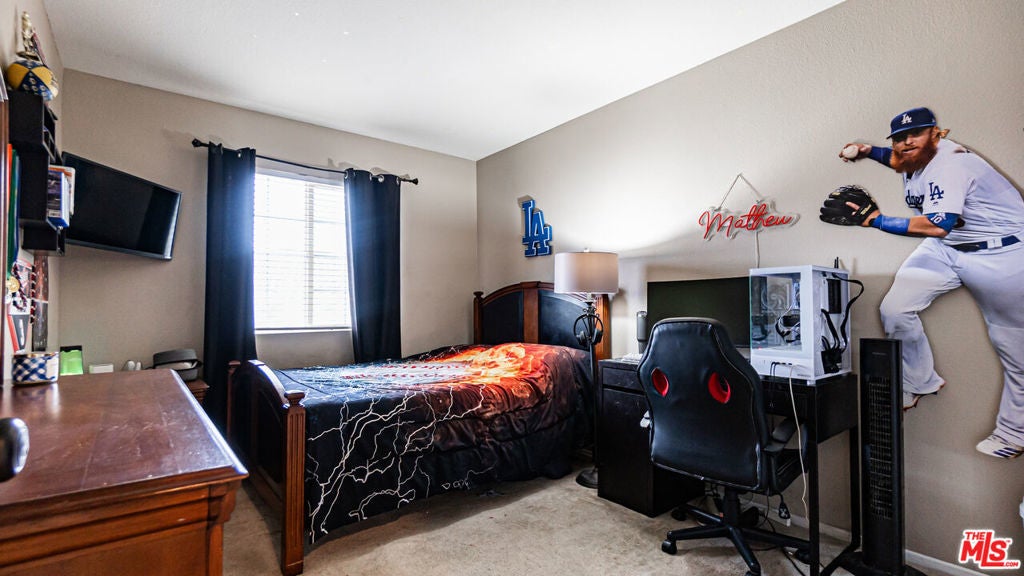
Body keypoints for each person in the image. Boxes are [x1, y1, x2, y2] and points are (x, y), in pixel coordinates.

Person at [837, 107, 1024, 459]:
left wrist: (875, 220)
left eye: (916, 134)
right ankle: (920, 381)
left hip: (1003, 253)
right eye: (900, 138)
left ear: (936, 134)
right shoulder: (915, 156)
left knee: (1014, 347)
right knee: (895, 309)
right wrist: (865, 150)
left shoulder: (950, 165)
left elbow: (938, 225)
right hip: (947, 248)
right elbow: (897, 159)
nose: (907, 143)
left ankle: (1014, 434)